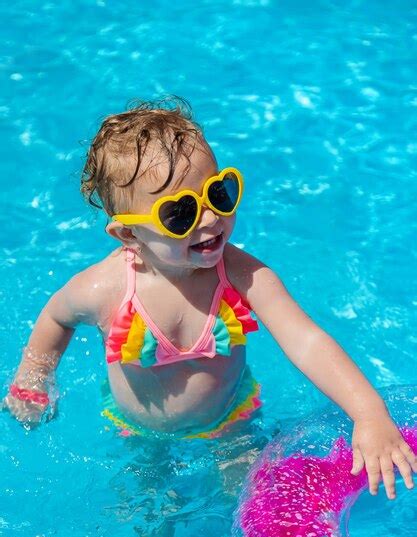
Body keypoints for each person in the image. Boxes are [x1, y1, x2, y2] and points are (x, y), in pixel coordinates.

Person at [4, 97, 417, 500]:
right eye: (180, 213)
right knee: (149, 510)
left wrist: (368, 412)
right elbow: (57, 319)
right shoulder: (104, 288)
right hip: (139, 427)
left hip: (230, 420)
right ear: (129, 234)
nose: (210, 218)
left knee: (246, 500)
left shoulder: (242, 275)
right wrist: (34, 376)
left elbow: (304, 339)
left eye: (218, 193)